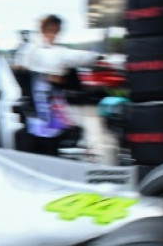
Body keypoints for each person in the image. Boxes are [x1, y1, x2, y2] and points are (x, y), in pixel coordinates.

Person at [17, 14, 103, 155]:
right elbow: (21, 74)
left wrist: (60, 81)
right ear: (42, 30)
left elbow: (75, 85)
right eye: (50, 30)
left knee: (51, 155)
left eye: (56, 30)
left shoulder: (60, 55)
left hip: (54, 120)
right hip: (35, 120)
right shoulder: (31, 52)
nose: (53, 34)